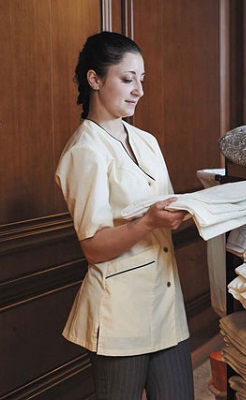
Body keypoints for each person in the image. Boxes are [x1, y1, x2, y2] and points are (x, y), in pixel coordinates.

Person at [55, 31, 194, 399]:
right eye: (128, 79)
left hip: (166, 303)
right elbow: (93, 247)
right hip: (120, 315)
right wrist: (148, 222)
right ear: (95, 79)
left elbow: (166, 208)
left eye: (141, 80)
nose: (139, 90)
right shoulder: (84, 151)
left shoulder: (147, 142)